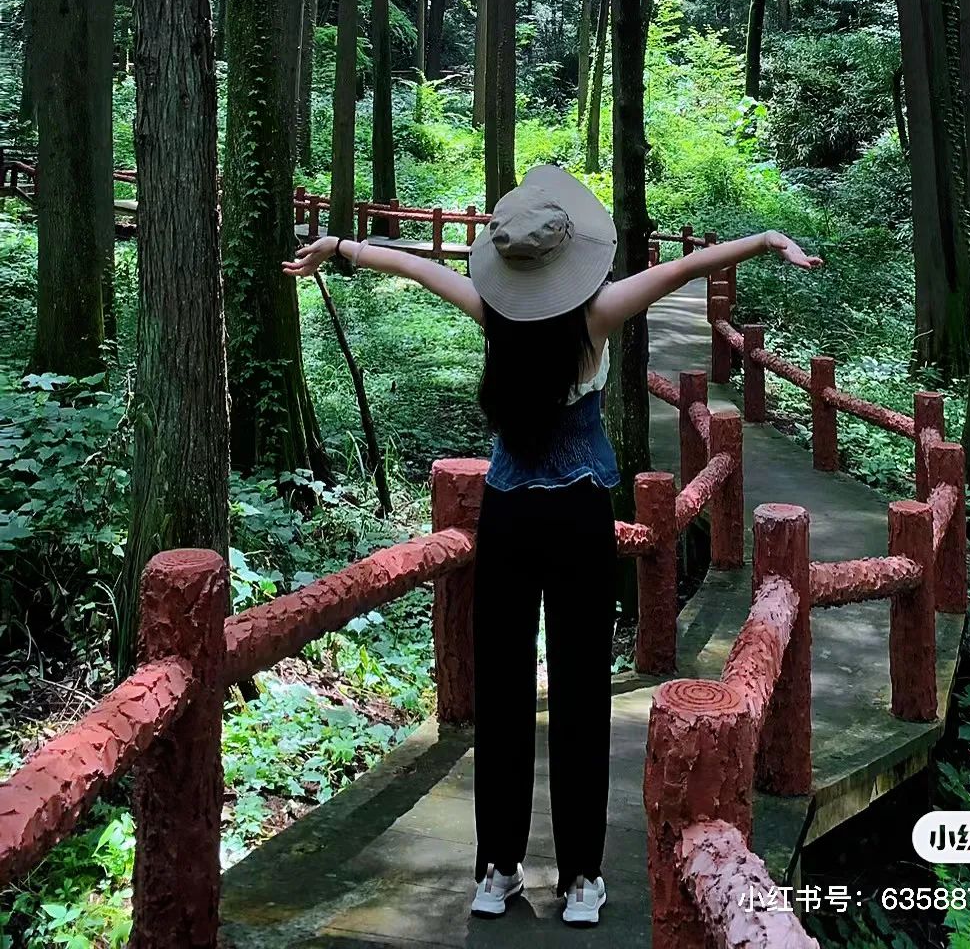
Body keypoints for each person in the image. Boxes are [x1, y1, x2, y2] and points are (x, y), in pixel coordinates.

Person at [285, 165, 822, 928]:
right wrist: (766, 239)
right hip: (576, 516)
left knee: (503, 695)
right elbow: (686, 268)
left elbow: (417, 268)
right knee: (580, 696)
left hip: (506, 515)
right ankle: (581, 880)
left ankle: (497, 871)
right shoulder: (596, 316)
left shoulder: (490, 313)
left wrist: (338, 247)